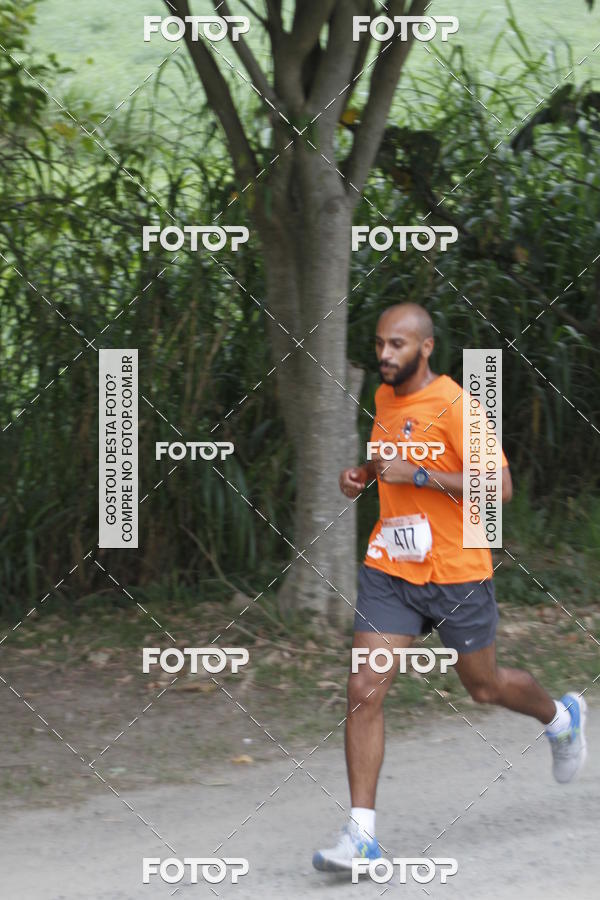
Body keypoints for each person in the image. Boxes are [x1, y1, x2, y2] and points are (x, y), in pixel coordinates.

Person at [312, 302, 588, 873]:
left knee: (483, 687)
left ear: (425, 348)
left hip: (458, 571)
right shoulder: (386, 397)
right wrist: (361, 476)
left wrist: (416, 476)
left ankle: (560, 719)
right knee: (365, 688)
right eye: (381, 344)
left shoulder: (457, 405)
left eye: (397, 345)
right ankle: (361, 835)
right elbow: (389, 460)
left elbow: (501, 486)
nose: (385, 355)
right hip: (392, 568)